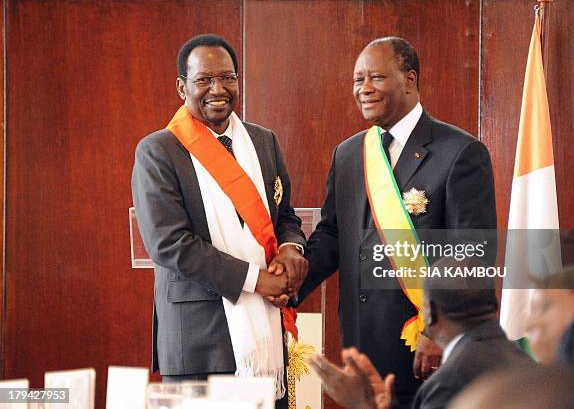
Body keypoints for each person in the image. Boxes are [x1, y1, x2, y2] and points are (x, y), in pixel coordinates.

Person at [298, 36, 497, 406]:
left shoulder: (460, 152)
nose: (364, 89)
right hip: (362, 344)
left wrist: (439, 330)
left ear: (410, 79)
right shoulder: (349, 153)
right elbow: (332, 234)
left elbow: (472, 254)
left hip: (425, 350)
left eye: (376, 77)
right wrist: (288, 285)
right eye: (358, 80)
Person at [131, 34, 307, 407]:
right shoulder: (158, 151)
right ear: (182, 87)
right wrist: (257, 280)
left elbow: (285, 214)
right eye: (204, 80)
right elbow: (169, 244)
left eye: (227, 78)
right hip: (198, 340)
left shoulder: (264, 141)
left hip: (265, 329)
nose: (218, 89)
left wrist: (291, 250)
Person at [309, 259, 531, 409]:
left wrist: (363, 405)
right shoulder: (525, 362)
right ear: (494, 304)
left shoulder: (448, 383)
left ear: (430, 314)